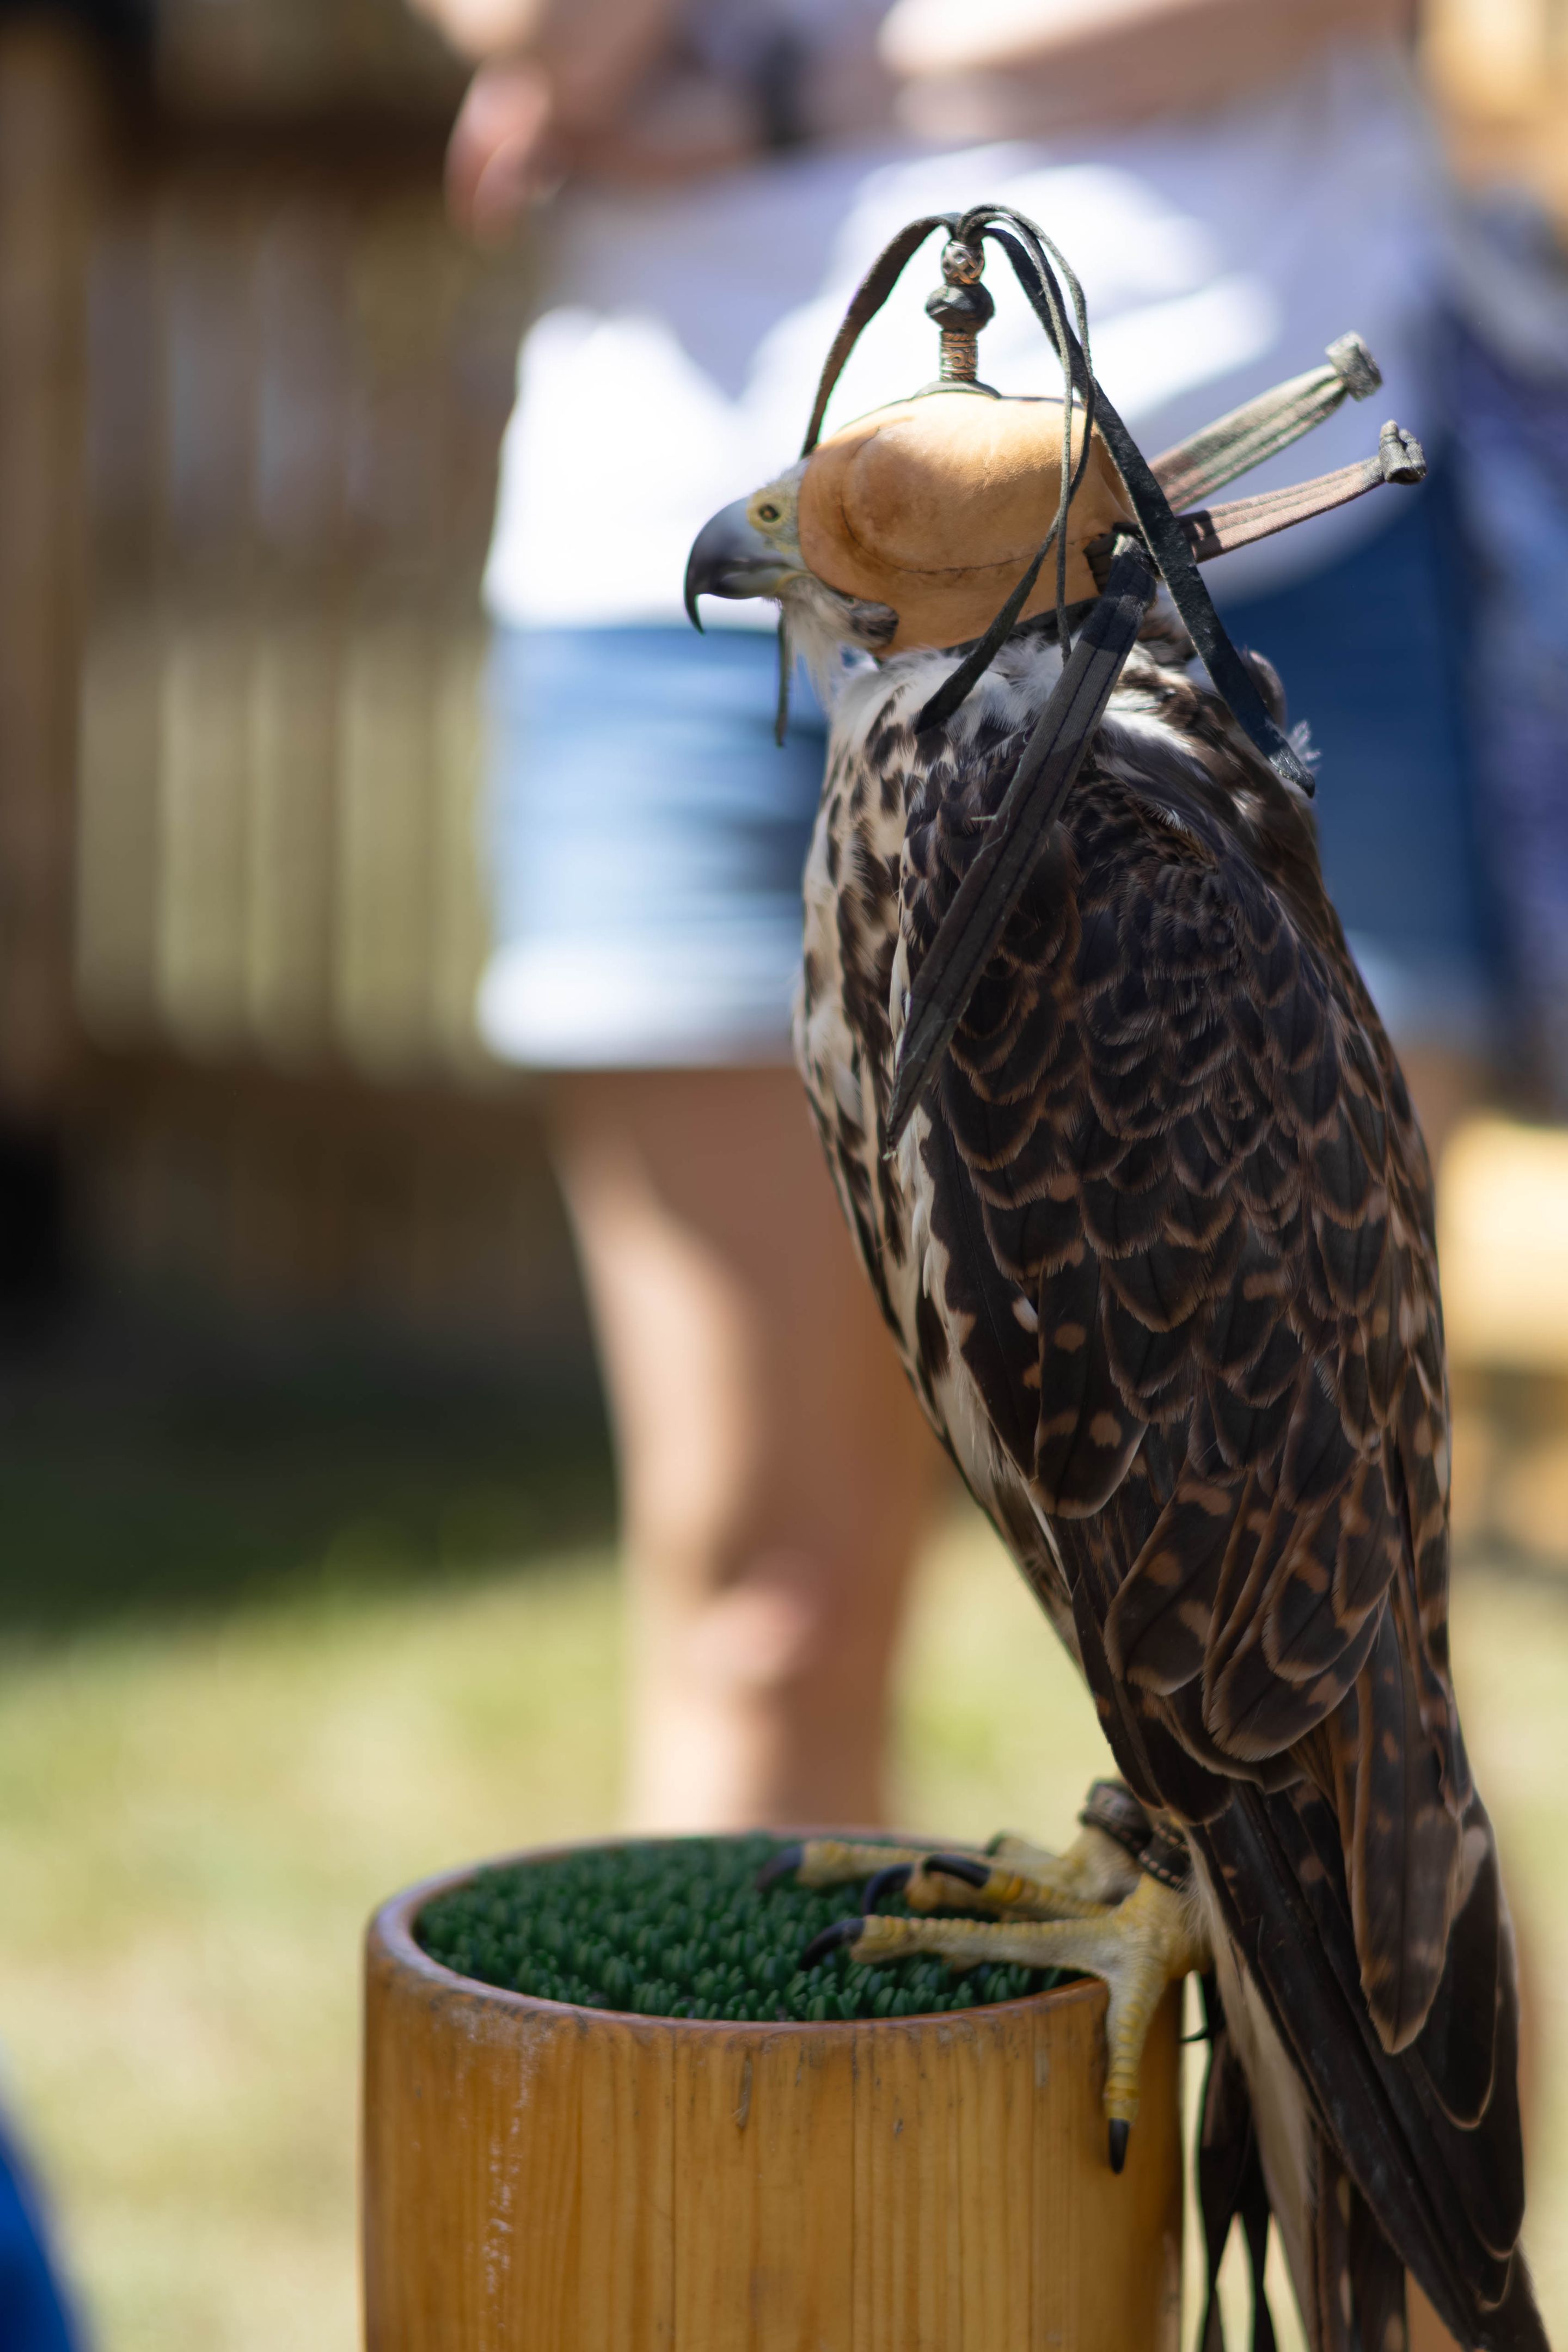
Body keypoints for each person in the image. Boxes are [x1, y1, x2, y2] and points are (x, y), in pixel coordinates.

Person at [409, 0, 1497, 1852]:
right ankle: (780, 2145)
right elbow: (550, 36)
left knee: (1332, 1674)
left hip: (1231, 519)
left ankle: (1372, 2137)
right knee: (764, 1612)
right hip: (669, 547)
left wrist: (801, 90)